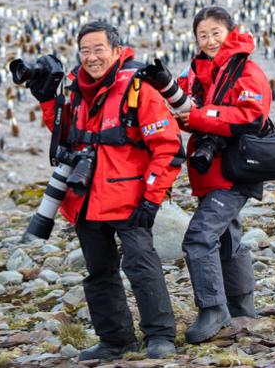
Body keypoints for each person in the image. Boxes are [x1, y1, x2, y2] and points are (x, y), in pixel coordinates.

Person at [31, 21, 185, 361]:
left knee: (142, 267)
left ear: (117, 51)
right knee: (99, 273)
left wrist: (152, 197)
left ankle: (160, 336)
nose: (91, 57)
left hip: (129, 199)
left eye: (98, 49)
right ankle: (115, 340)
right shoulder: (75, 90)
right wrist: (46, 101)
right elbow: (64, 135)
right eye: (85, 51)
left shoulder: (137, 88)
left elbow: (168, 148)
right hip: (85, 199)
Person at [175, 7, 272, 344]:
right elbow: (178, 107)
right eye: (203, 35)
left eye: (216, 32)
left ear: (231, 31)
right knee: (228, 238)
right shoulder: (198, 72)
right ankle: (242, 307)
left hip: (235, 171)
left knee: (199, 238)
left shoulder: (246, 69)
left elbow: (250, 115)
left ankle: (213, 310)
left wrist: (199, 117)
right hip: (210, 173)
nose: (210, 40)